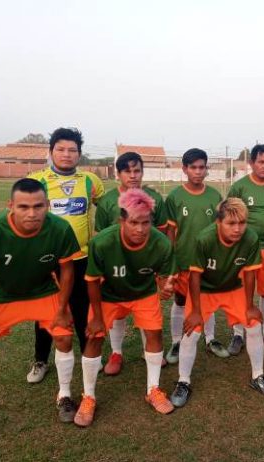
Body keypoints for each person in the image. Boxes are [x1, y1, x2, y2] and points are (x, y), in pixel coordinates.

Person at [0, 179, 82, 449]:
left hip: (44, 291)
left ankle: (64, 396)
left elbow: (67, 270)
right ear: (10, 206)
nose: (32, 213)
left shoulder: (60, 228)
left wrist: (62, 309)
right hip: (3, 293)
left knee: (64, 337)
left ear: (47, 205)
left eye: (38, 206)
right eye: (23, 207)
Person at [74, 189, 175, 426]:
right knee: (94, 337)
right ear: (122, 220)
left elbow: (164, 278)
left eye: (145, 223)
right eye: (133, 222)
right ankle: (88, 397)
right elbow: (92, 281)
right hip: (108, 295)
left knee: (154, 334)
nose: (140, 229)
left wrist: (165, 287)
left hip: (143, 293)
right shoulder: (102, 242)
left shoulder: (161, 243)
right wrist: (96, 317)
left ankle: (153, 389)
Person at [170, 198, 264, 407]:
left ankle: (258, 375)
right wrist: (196, 311)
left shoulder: (251, 238)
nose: (237, 229)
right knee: (192, 331)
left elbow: (250, 273)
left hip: (233, 287)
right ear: (218, 222)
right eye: (231, 223)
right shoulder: (204, 239)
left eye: (242, 223)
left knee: (253, 324)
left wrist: (250, 305)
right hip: (205, 290)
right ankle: (183, 381)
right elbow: (195, 276)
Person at [26, 127, 104, 383]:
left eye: (72, 150)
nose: (66, 154)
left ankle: (89, 355)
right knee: (46, 311)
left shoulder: (91, 181)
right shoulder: (37, 180)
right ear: (51, 152)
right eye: (60, 149)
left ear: (79, 154)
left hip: (81, 258)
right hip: (47, 260)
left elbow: (106, 209)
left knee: (82, 309)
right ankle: (40, 360)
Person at [95, 151, 168, 375]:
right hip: (116, 266)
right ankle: (116, 352)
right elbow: (99, 238)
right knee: (117, 311)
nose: (133, 175)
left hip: (145, 265)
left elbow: (163, 233)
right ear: (118, 174)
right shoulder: (107, 201)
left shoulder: (154, 198)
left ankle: (149, 350)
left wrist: (159, 268)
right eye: (127, 171)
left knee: (147, 308)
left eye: (137, 170)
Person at [164, 148, 228, 364]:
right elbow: (171, 232)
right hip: (184, 259)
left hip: (208, 261)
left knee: (207, 299)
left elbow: (220, 230)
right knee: (181, 300)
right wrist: (171, 261)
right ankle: (176, 341)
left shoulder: (214, 196)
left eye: (202, 167)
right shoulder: (175, 197)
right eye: (193, 167)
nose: (198, 171)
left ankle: (210, 338)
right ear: (184, 169)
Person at [227, 144, 264, 354]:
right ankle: (237, 333)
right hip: (243, 249)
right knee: (241, 290)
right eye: (261, 162)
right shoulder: (240, 187)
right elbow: (230, 217)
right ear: (252, 163)